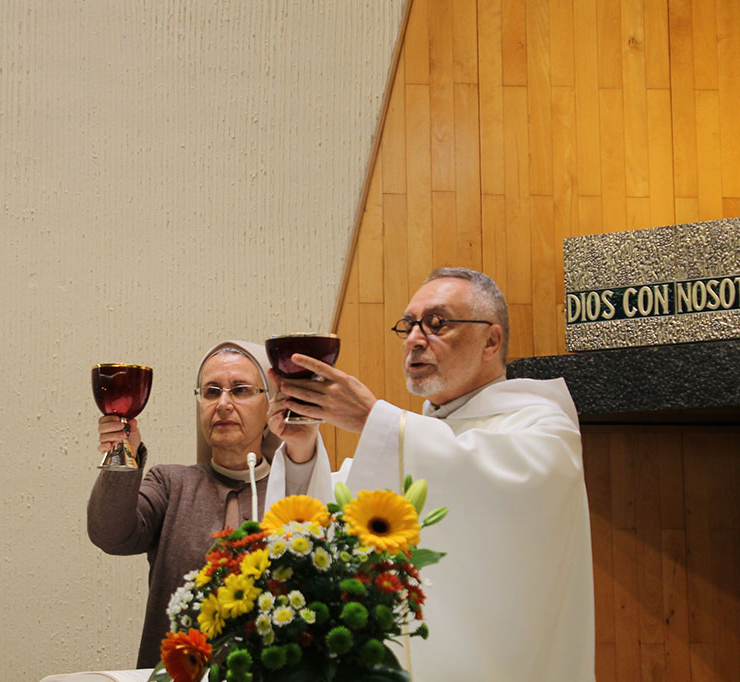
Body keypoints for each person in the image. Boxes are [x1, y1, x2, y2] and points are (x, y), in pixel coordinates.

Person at [266, 267, 596, 682]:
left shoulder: (543, 429)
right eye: (408, 326)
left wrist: (373, 419)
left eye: (437, 323)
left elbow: (487, 488)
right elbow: (330, 517)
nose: (415, 339)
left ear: (491, 340)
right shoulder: (415, 440)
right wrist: (301, 449)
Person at [87, 340, 311, 668]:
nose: (223, 403)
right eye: (211, 391)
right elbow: (111, 534)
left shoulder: (297, 491)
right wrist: (122, 454)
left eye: (241, 390)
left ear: (270, 406)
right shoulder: (172, 484)